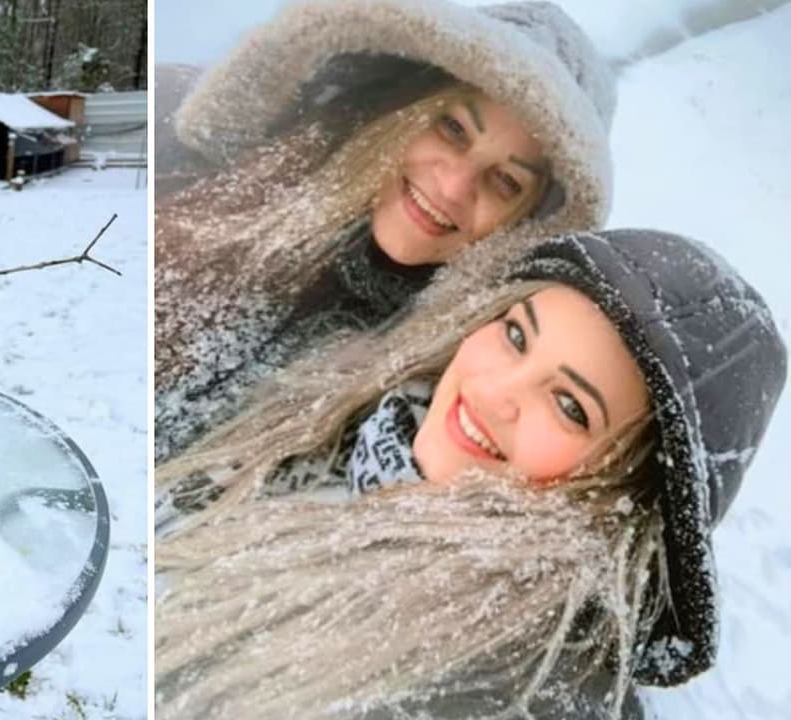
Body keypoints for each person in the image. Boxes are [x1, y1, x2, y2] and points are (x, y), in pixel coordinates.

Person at [154, 229, 787, 719]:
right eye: (516, 335)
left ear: (629, 495)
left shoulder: (498, 684)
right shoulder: (343, 418)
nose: (494, 391)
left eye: (570, 407)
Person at [155, 0, 617, 461]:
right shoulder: (172, 145)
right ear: (400, 105)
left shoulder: (437, 400)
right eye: (453, 129)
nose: (454, 186)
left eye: (505, 182)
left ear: (524, 225)